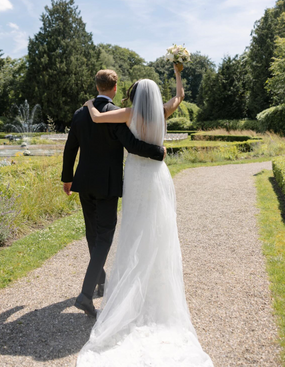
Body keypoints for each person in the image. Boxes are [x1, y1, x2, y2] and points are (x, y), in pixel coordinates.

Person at [76, 64, 214, 366]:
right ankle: (157, 288)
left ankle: (130, 288)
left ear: (134, 96)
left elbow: (98, 117)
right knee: (160, 230)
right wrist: (178, 72)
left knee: (134, 231)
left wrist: (89, 102)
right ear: (153, 97)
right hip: (159, 177)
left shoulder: (129, 113)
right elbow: (179, 96)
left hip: (137, 178)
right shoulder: (161, 112)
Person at [61, 69, 166, 319]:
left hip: (84, 183)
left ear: (97, 86)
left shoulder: (79, 113)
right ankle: (86, 295)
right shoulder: (115, 114)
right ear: (115, 88)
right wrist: (157, 152)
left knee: (92, 233)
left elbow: (70, 148)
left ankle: (101, 280)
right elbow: (132, 146)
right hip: (106, 185)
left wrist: (67, 178)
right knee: (104, 237)